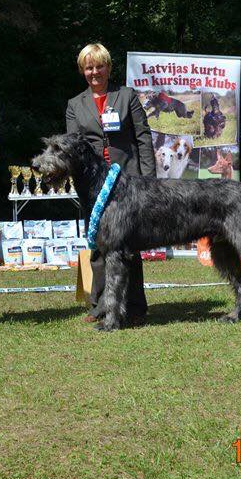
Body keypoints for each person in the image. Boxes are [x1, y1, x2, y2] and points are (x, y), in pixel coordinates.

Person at [65, 43, 155, 324]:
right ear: (83, 71)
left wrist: (148, 178)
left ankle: (136, 306)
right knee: (97, 243)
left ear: (108, 68)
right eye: (89, 67)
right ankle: (100, 305)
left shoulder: (126, 96)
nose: (95, 72)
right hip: (94, 184)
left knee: (129, 243)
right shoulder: (75, 105)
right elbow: (73, 146)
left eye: (99, 66)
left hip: (128, 181)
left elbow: (143, 137)